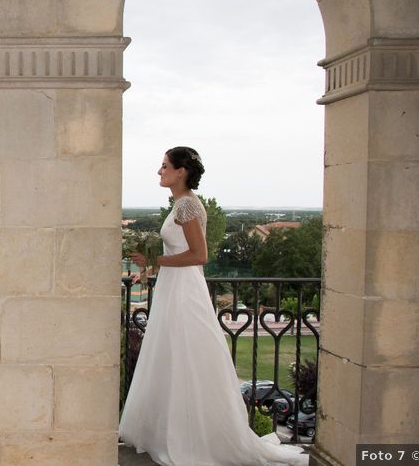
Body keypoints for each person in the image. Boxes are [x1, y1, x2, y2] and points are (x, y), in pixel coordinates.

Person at [119, 146, 308, 466]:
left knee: (186, 358)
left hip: (184, 292)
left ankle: (191, 439)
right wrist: (150, 269)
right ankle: (167, 432)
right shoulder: (180, 204)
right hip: (173, 287)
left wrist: (155, 258)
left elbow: (199, 256)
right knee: (170, 356)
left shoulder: (187, 206)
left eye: (165, 166)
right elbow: (181, 251)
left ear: (181, 172)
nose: (160, 171)